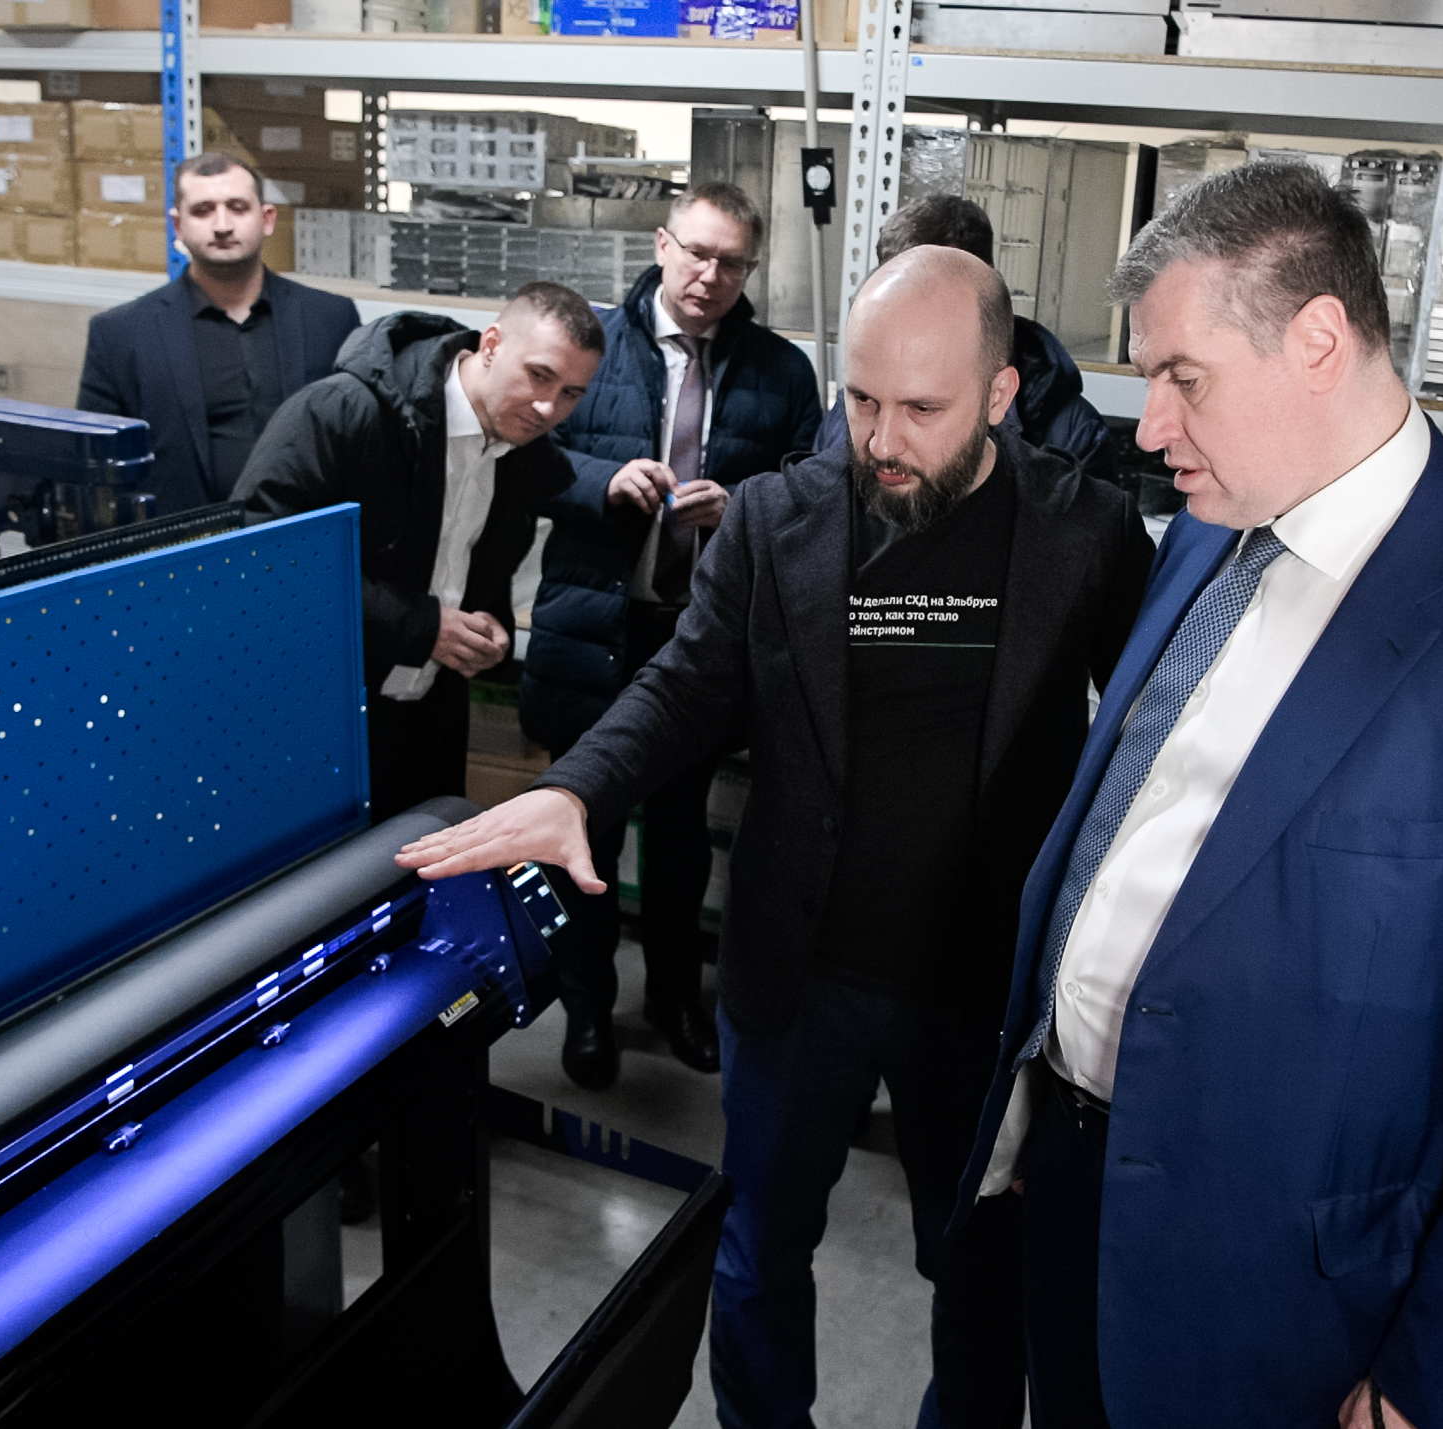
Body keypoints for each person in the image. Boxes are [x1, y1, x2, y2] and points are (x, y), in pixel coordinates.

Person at [945, 158, 1443, 1429]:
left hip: (1295, 1297)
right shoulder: (1205, 533)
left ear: (1315, 340)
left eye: (1183, 378)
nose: (1148, 427)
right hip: (1072, 1186)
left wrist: (1437, 1380)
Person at [398, 245, 1154, 1429]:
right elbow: (688, 685)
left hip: (980, 986)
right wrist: (578, 789)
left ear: (1000, 394)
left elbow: (1157, 732)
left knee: (977, 1267)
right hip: (799, 976)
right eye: (859, 399)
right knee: (758, 1249)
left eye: (920, 409)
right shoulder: (775, 517)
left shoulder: (1085, 532)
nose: (879, 440)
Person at [522, 180, 823, 1087]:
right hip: (594, 629)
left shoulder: (780, 371)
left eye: (732, 262)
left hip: (698, 643)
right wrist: (602, 482)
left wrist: (743, 507)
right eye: (697, 253)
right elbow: (528, 451)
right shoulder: (591, 345)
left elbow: (813, 487)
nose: (710, 275)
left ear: (750, 270)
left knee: (681, 838)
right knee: (584, 832)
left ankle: (674, 997)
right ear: (662, 245)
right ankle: (586, 1009)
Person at [233, 282, 602, 824]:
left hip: (428, 724)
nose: (549, 407)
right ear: (491, 345)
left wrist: (487, 627)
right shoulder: (343, 410)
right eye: (539, 375)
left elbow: (466, 571)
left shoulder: (526, 459)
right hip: (308, 721)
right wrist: (421, 626)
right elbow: (256, 564)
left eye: (571, 393)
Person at [78, 152, 360, 517]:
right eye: (203, 210)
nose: (222, 225)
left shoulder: (330, 318)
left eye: (238, 208)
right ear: (178, 226)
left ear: (267, 218)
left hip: (307, 537)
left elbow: (361, 447)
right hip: (184, 544)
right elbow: (95, 474)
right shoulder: (121, 334)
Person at [813, 194, 1114, 487]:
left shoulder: (1073, 433)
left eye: (924, 408)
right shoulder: (843, 418)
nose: (883, 446)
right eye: (891, 291)